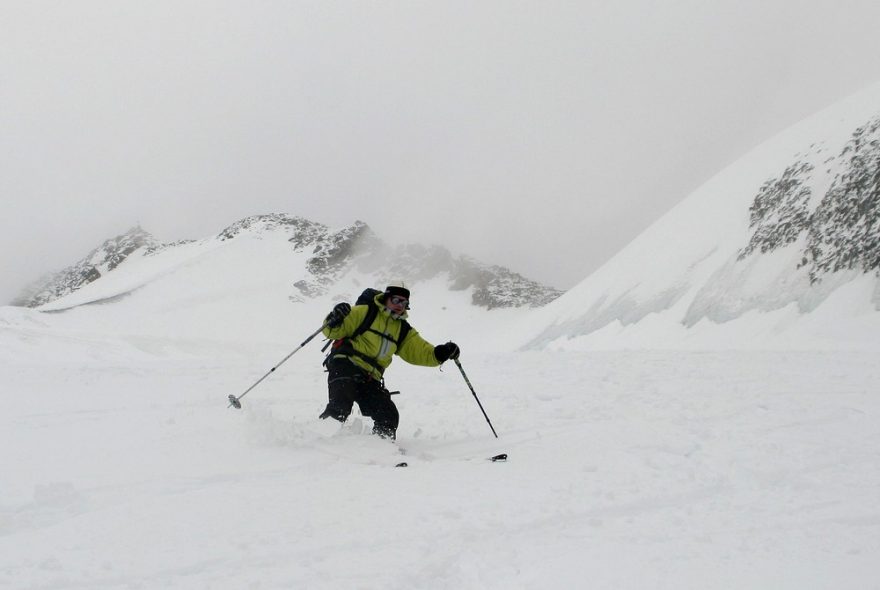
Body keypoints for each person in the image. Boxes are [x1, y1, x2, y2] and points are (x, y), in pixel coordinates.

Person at [318, 283, 460, 440]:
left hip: (370, 377)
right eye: (396, 300)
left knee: (388, 414)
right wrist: (335, 317)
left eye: (405, 303)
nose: (400, 306)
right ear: (386, 298)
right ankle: (321, 440)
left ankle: (381, 447)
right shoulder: (365, 312)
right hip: (346, 364)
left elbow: (421, 352)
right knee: (340, 405)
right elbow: (331, 330)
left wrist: (441, 353)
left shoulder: (403, 330)